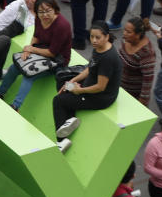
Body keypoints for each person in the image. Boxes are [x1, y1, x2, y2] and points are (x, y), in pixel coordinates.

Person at [53, 21, 123, 153]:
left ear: (107, 37)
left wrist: (79, 90)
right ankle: (70, 120)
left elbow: (101, 87)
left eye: (98, 37)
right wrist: (73, 80)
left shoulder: (108, 58)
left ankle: (61, 141)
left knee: (58, 100)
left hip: (100, 97)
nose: (94, 41)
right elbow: (90, 69)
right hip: (90, 87)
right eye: (92, 37)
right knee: (63, 81)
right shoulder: (99, 49)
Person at [0, 0, 72, 111]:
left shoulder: (62, 26)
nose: (44, 15)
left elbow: (52, 52)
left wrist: (31, 50)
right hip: (40, 52)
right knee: (15, 67)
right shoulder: (39, 19)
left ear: (55, 9)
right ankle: (0, 93)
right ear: (36, 13)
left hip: (57, 60)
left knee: (29, 74)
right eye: (41, 12)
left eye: (48, 11)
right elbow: (36, 36)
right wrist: (27, 49)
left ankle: (16, 105)